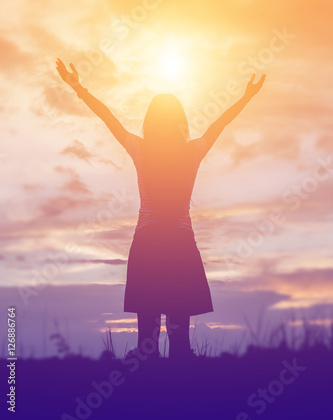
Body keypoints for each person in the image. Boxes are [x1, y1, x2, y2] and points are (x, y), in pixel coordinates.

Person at [56, 58, 266, 360]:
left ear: (150, 121)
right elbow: (220, 123)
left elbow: (108, 117)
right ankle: (180, 394)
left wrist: (77, 87)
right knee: (181, 345)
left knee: (147, 346)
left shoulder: (139, 148)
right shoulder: (193, 151)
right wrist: (247, 96)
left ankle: (149, 394)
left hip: (148, 243)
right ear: (180, 121)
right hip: (180, 244)